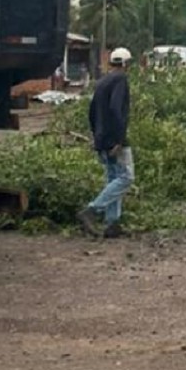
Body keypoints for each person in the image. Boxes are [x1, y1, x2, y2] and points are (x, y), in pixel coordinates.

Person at [78, 47, 134, 238]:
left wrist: (97, 136)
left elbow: (92, 112)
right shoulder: (120, 79)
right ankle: (93, 210)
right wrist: (119, 139)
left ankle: (112, 224)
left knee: (112, 178)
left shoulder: (102, 82)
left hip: (102, 138)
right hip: (114, 139)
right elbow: (116, 109)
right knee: (126, 177)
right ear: (126, 64)